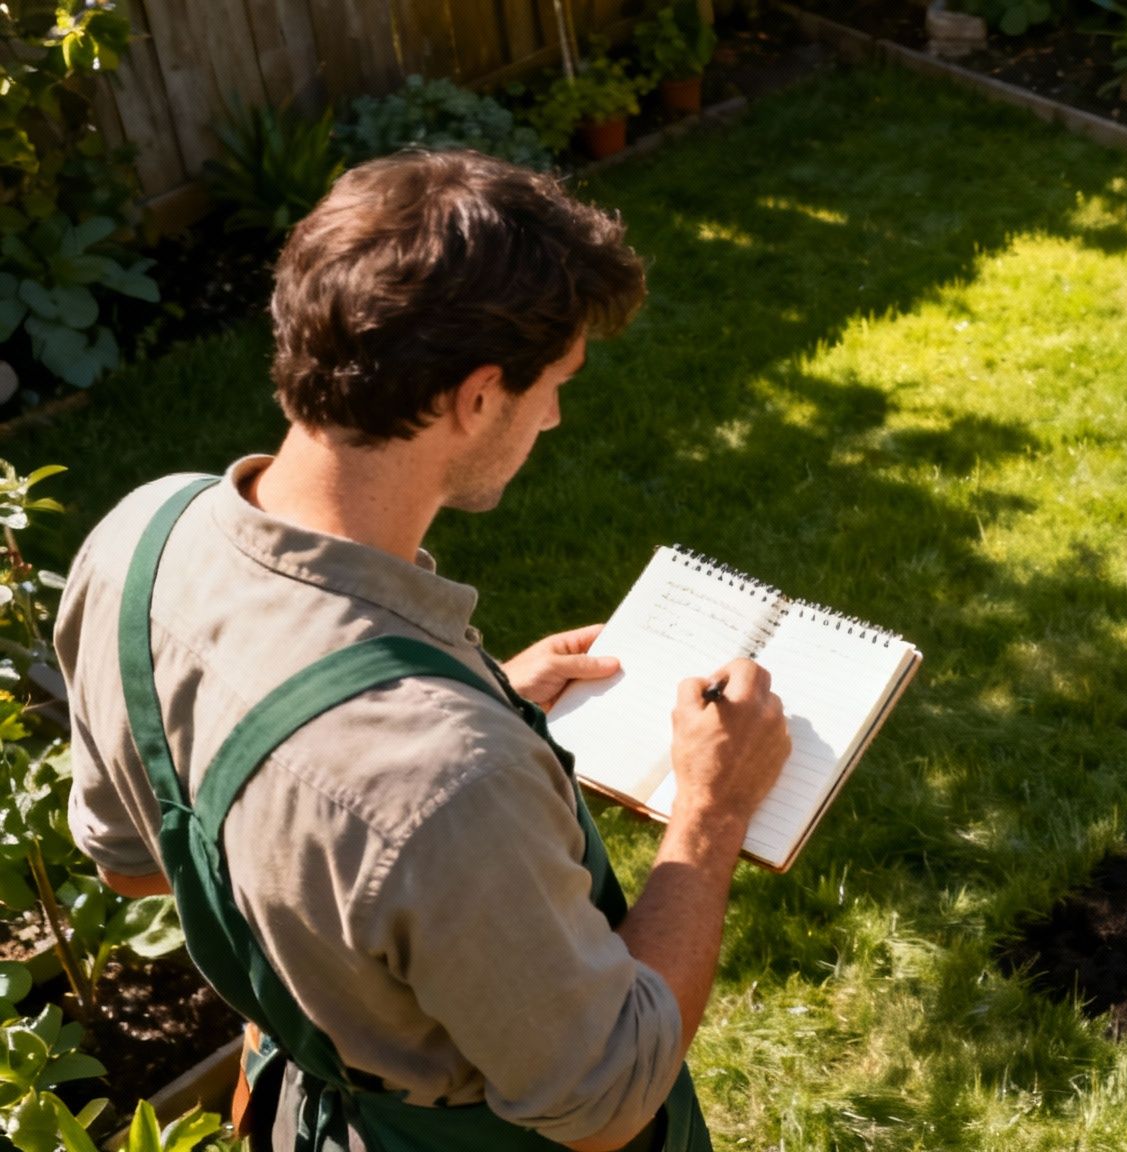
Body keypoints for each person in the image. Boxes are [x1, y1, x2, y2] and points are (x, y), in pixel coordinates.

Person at [52, 149, 791, 1152]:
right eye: (555, 384)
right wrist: (711, 810)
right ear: (475, 398)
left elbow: (135, 864)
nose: (559, 415)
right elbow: (608, 1097)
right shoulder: (446, 781)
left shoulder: (140, 536)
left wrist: (479, 691)